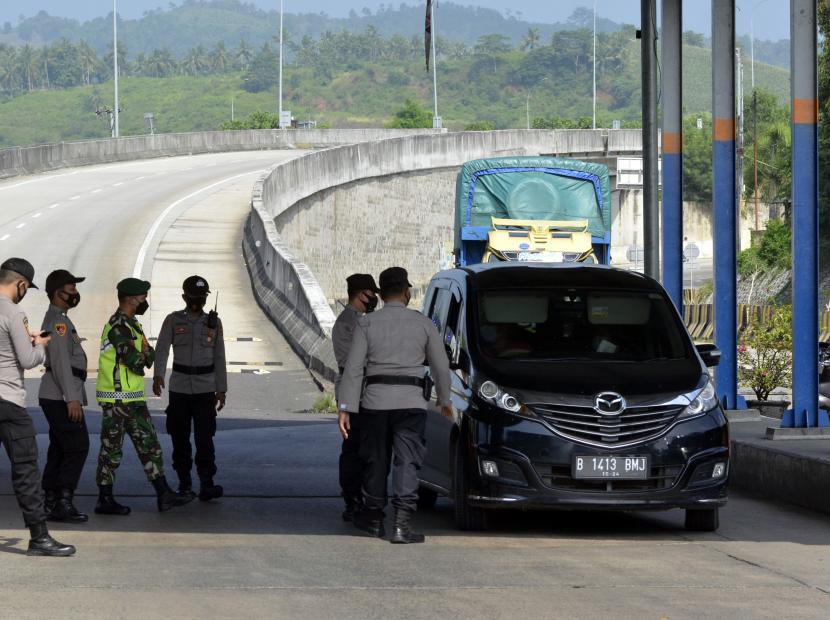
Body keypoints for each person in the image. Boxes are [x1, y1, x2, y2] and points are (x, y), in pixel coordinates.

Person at [338, 267, 452, 544]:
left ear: (382, 291)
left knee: (375, 460)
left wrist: (346, 407)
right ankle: (402, 525)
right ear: (406, 292)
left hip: (374, 404)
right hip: (411, 404)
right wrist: (446, 400)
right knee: (407, 462)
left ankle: (375, 520)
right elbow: (440, 366)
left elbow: (353, 369)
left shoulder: (367, 324)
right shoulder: (423, 323)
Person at [94, 277, 193, 514]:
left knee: (150, 446)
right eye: (142, 297)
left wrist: (146, 354)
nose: (144, 301)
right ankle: (104, 499)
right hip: (117, 398)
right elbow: (137, 361)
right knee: (111, 449)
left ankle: (164, 494)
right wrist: (145, 353)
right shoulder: (118, 326)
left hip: (133, 398)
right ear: (130, 299)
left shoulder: (132, 325)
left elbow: (146, 358)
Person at [0, 258, 75, 556]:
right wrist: (40, 344)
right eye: (25, 288)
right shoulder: (13, 312)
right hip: (8, 403)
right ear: (20, 284)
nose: (25, 293)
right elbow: (28, 360)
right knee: (26, 471)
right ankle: (39, 537)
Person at [153, 275, 227, 501]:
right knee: (179, 437)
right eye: (193, 297)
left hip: (205, 390)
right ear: (184, 297)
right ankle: (184, 483)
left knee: (205, 439)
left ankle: (207, 483)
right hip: (180, 389)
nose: (197, 302)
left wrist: (221, 389)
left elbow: (219, 356)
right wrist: (158, 376)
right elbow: (163, 348)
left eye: (201, 298)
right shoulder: (173, 320)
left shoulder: (213, 322)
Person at [38, 269, 89, 523]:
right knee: (78, 447)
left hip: (56, 394)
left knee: (60, 448)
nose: (75, 293)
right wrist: (72, 398)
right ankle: (63, 501)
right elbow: (59, 363)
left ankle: (50, 499)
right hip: (60, 396)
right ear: (58, 292)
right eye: (71, 289)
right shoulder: (58, 322)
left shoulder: (61, 319)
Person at [331, 273, 379, 521]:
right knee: (353, 449)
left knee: (368, 448)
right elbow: (349, 362)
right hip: (353, 391)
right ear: (362, 294)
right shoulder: (346, 323)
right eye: (372, 294)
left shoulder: (365, 320)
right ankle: (351, 498)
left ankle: (365, 495)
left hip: (369, 392)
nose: (375, 299)